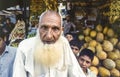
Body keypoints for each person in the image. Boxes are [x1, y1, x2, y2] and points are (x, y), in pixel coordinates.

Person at [13, 10, 86, 77]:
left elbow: (76, 73)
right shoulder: (25, 47)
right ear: (38, 28)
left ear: (61, 31)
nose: (49, 36)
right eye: (44, 27)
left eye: (55, 29)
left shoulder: (64, 43)